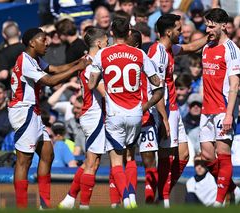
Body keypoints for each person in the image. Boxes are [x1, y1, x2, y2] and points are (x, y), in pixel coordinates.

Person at [8, 28, 90, 209]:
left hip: (33, 111)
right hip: (23, 112)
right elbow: (51, 81)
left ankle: (44, 204)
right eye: (43, 39)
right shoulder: (25, 60)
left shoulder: (34, 59)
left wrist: (77, 62)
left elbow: (54, 69)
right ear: (31, 42)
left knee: (48, 153)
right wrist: (78, 68)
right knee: (24, 160)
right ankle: (21, 207)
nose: (47, 43)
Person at [88, 17, 160, 209]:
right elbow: (156, 82)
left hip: (114, 113)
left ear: (111, 33)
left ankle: (127, 198)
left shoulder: (102, 55)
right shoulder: (139, 54)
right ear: (129, 32)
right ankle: (133, 197)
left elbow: (91, 84)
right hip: (136, 113)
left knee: (116, 161)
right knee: (131, 156)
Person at [148, 13, 208, 208]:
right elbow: (155, 89)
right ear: (168, 31)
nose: (181, 33)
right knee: (166, 156)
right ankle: (163, 200)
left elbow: (190, 48)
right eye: (178, 30)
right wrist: (163, 118)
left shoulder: (169, 49)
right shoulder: (158, 53)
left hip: (173, 109)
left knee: (183, 155)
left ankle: (161, 194)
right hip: (164, 110)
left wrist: (210, 37)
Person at [199, 8, 240, 207]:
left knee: (223, 154)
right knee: (207, 156)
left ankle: (219, 201)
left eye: (211, 25)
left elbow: (234, 85)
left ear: (223, 26)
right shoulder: (206, 47)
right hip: (206, 109)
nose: (207, 29)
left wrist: (229, 115)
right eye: (206, 25)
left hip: (223, 109)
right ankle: (235, 189)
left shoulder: (231, 49)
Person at [58, 27, 108, 209]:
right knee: (92, 164)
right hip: (93, 115)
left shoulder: (88, 61)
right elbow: (104, 93)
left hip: (93, 115)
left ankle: (70, 198)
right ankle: (84, 206)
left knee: (90, 161)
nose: (108, 44)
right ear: (99, 43)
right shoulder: (91, 66)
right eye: (107, 41)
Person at [126, 29, 163, 204]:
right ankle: (129, 200)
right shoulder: (120, 62)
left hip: (146, 118)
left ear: (135, 45)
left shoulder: (147, 62)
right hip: (126, 117)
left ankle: (149, 203)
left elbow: (159, 89)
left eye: (126, 43)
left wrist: (147, 108)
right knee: (128, 159)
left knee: (149, 162)